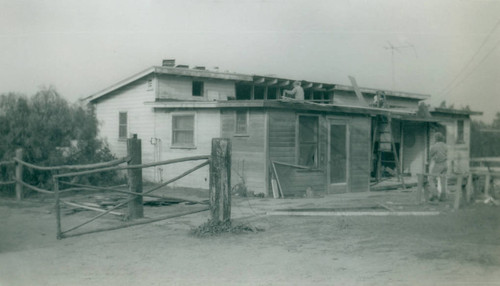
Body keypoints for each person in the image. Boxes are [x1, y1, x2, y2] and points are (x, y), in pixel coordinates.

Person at [429, 132, 447, 201]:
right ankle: (443, 196)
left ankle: (434, 195)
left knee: (431, 179)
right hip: (445, 164)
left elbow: (431, 154)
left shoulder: (435, 146)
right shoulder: (445, 145)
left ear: (436, 138)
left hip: (439, 164)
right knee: (443, 180)